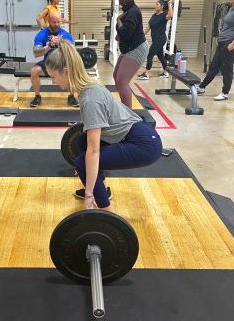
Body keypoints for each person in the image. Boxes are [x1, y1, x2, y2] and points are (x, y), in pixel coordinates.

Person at [45, 39, 163, 210]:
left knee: (82, 162)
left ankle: (105, 212)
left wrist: (89, 193)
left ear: (66, 72)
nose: (53, 83)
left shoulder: (90, 99)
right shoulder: (89, 86)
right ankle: (103, 190)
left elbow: (93, 151)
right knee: (82, 142)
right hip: (136, 133)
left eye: (53, 77)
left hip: (144, 145)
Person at [196, 0, 234, 101]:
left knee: (226, 69)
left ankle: (225, 93)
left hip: (231, 43)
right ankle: (201, 87)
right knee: (214, 66)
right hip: (223, 42)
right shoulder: (232, 8)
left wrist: (233, 44)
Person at [113, 0, 149, 109]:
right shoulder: (128, 10)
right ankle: (124, 106)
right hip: (128, 48)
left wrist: (118, 20)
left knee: (122, 81)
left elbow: (125, 33)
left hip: (136, 49)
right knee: (116, 76)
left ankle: (128, 113)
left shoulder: (133, 12)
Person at [30, 12, 79, 107]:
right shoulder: (42, 34)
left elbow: (73, 52)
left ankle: (71, 96)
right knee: (34, 71)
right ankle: (37, 96)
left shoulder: (66, 35)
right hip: (48, 63)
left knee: (72, 70)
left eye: (58, 22)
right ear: (48, 21)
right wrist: (49, 46)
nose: (56, 24)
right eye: (54, 22)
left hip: (62, 64)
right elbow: (36, 53)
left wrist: (61, 43)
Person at [138, 0, 174, 80]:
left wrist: (169, 3)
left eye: (157, 4)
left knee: (150, 54)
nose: (155, 5)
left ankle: (146, 74)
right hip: (155, 39)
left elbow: (171, 15)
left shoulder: (164, 15)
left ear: (161, 7)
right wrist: (141, 36)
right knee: (161, 56)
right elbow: (148, 27)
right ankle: (166, 72)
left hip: (160, 39)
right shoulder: (154, 15)